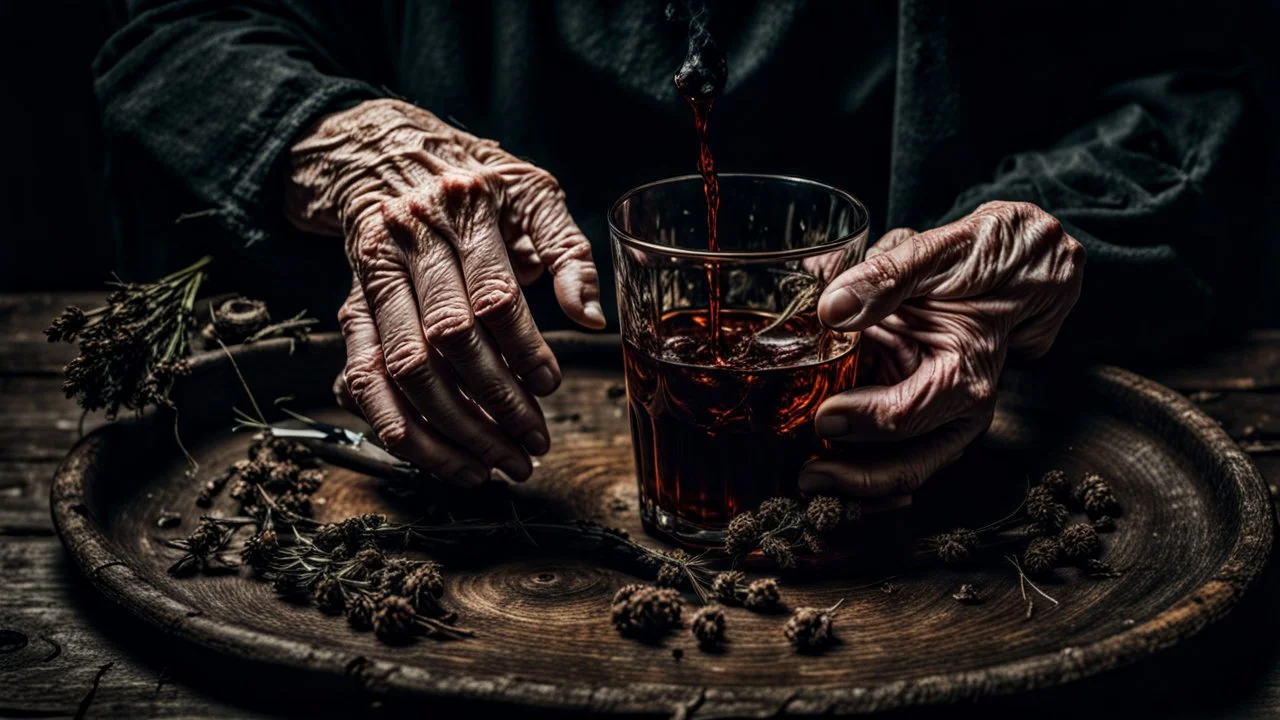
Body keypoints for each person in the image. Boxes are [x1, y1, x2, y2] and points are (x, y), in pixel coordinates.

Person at [94, 1, 1263, 496]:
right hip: (481, 461)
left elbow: (1203, 76)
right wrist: (353, 146)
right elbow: (169, 30)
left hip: (916, 451)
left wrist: (1045, 227)